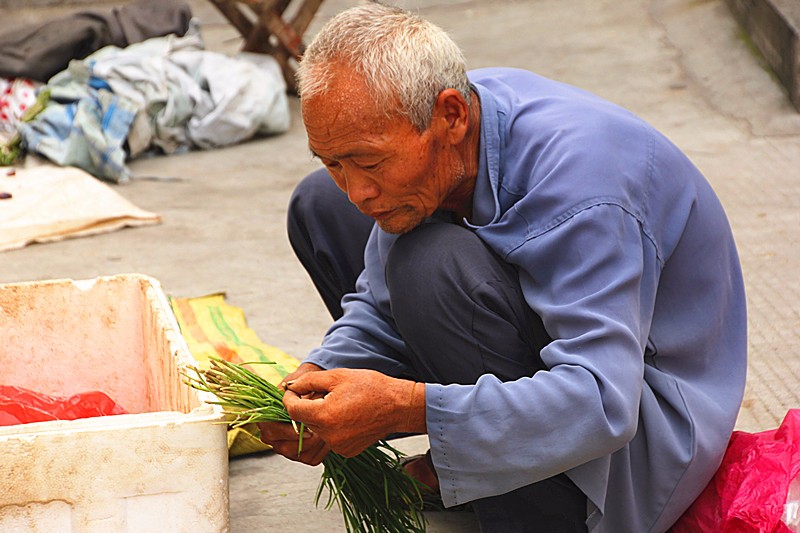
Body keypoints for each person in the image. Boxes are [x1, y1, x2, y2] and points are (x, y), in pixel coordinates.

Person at [258, 4, 748, 532]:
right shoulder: (444, 123)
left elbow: (603, 403)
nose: (357, 190)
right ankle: (474, 461)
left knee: (429, 267)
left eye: (371, 163)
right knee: (321, 207)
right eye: (333, 162)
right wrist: (316, 381)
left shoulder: (584, 183)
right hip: (567, 371)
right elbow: (379, 307)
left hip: (635, 439)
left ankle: (538, 511)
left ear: (451, 116)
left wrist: (409, 408)